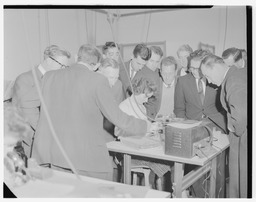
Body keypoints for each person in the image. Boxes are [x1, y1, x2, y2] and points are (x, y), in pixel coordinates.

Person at [32, 44, 153, 181]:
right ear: (96, 66)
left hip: (56, 155)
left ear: (77, 57)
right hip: (86, 158)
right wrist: (146, 126)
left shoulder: (49, 76)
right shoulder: (98, 80)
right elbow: (117, 118)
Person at [201, 54, 247, 198]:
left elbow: (241, 114)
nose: (209, 81)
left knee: (242, 181)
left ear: (215, 68)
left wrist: (234, 129)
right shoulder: (237, 74)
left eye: (207, 76)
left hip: (243, 138)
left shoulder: (233, 81)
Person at [12, 45, 71, 157]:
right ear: (48, 60)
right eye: (61, 65)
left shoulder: (57, 79)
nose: (63, 69)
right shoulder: (25, 79)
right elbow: (26, 113)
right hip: (33, 139)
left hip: (54, 138)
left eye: (66, 67)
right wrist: (48, 132)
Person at [115, 77, 170, 189]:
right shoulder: (123, 107)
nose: (146, 101)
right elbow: (118, 132)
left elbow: (145, 131)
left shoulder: (142, 108)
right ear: (137, 91)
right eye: (145, 97)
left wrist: (154, 129)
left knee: (166, 163)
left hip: (140, 148)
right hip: (126, 151)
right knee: (162, 165)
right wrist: (144, 130)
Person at [174, 49, 226, 133]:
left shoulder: (216, 81)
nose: (194, 71)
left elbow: (224, 108)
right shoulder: (182, 81)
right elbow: (179, 109)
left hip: (215, 127)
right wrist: (184, 126)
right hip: (192, 128)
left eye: (197, 68)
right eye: (192, 68)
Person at [132, 46, 163, 120]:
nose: (154, 65)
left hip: (158, 116)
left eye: (157, 62)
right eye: (151, 61)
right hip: (144, 116)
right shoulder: (139, 75)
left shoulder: (159, 72)